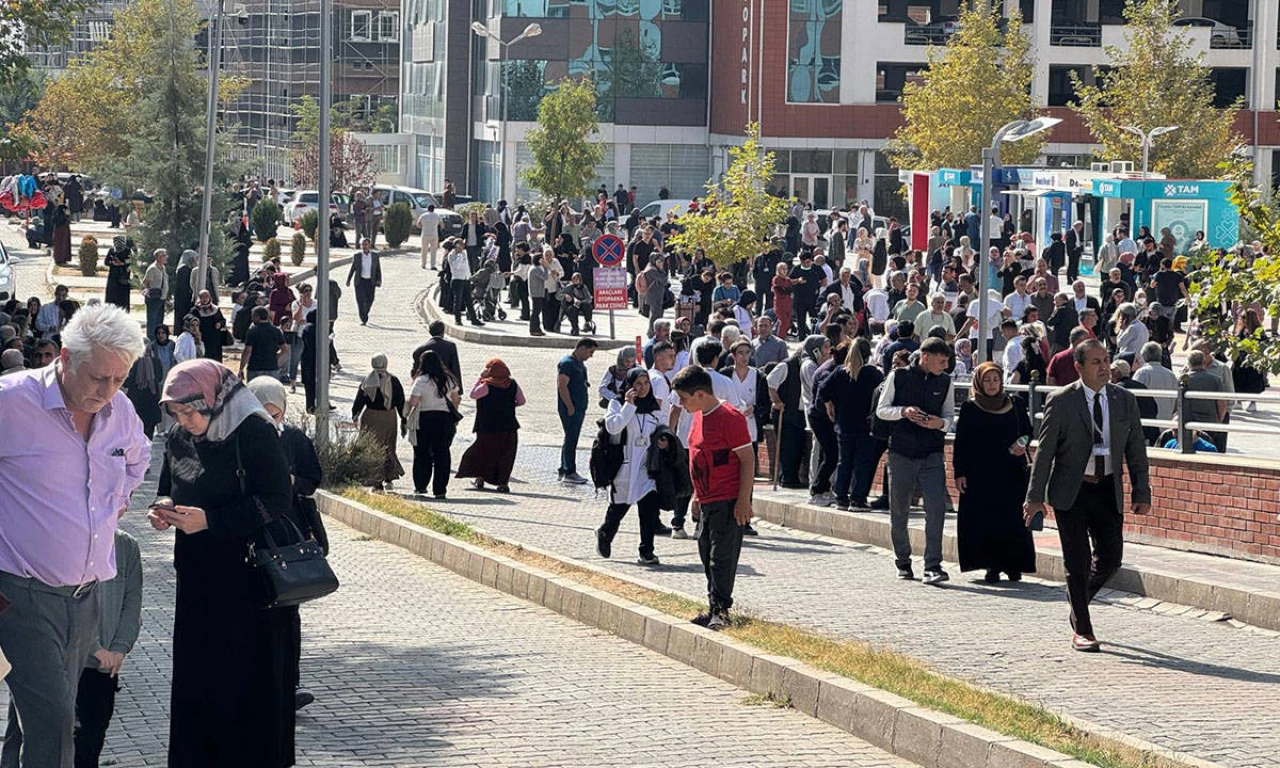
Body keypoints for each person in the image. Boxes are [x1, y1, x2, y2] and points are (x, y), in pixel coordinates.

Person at [0, 305, 149, 768]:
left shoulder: (119, 410)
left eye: (120, 380)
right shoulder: (10, 402)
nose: (107, 392)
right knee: (56, 719)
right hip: (19, 595)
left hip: (86, 600)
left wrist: (118, 498)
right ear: (64, 357)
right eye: (98, 378)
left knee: (37, 718)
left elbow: (138, 459)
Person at [149, 359, 296, 765]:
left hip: (248, 581)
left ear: (215, 398)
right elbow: (171, 483)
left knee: (245, 682)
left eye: (192, 410)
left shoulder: (252, 430)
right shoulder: (180, 435)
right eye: (177, 412)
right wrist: (163, 507)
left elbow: (277, 500)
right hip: (198, 578)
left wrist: (212, 521)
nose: (186, 419)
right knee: (200, 679)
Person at [1024, 339, 1151, 652]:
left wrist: (1141, 489)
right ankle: (1083, 627)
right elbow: (1046, 452)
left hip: (1108, 487)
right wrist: (1034, 497)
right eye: (1096, 362)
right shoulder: (1061, 400)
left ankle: (1077, 601)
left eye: (1106, 360)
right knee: (1077, 560)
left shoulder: (1124, 400)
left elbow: (1136, 449)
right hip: (1072, 489)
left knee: (1111, 558)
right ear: (1078, 367)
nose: (1104, 367)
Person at [245, 376, 326, 711]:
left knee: (287, 615)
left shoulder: (293, 439)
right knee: (251, 614)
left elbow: (313, 479)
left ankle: (288, 686)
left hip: (288, 541)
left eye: (275, 414)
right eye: (263, 412)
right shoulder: (240, 439)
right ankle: (252, 684)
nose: (270, 420)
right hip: (250, 539)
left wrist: (292, 481)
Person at [671, 365, 754, 630]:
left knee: (722, 557)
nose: (681, 404)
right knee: (706, 553)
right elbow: (699, 458)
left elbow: (748, 460)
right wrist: (696, 495)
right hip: (706, 500)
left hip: (728, 499)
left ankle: (721, 611)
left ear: (700, 394)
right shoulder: (698, 416)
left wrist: (744, 500)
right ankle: (713, 607)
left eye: (684, 399)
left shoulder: (730, 418)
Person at [875, 336, 955, 584]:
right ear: (925, 357)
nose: (945, 366)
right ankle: (903, 561)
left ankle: (933, 564)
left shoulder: (945, 382)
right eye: (941, 361)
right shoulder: (898, 376)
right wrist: (903, 412)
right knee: (900, 509)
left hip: (932, 452)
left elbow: (949, 416)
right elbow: (881, 409)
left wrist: (939, 423)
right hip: (901, 452)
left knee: (936, 508)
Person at [953, 362, 1036, 583]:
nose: (992, 384)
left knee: (1012, 521)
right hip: (980, 475)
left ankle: (1014, 565)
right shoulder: (971, 408)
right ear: (979, 382)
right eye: (987, 380)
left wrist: (1022, 443)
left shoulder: (1015, 404)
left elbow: (1028, 431)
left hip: (1011, 473)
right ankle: (992, 566)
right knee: (986, 521)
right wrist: (959, 473)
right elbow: (961, 442)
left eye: (996, 380)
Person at [595, 368, 667, 566]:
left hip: (646, 467)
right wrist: (628, 405)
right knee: (619, 507)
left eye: (645, 383)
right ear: (630, 386)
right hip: (624, 465)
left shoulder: (653, 406)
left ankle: (647, 551)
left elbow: (662, 426)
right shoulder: (616, 403)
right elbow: (613, 427)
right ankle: (605, 533)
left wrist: (665, 441)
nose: (642, 388)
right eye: (638, 384)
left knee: (649, 509)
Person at [819, 338, 884, 511]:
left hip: (844, 423)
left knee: (844, 461)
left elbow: (823, 389)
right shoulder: (874, 374)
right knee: (862, 463)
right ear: (868, 354)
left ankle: (841, 497)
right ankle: (858, 499)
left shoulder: (840, 372)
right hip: (866, 425)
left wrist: (829, 406)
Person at [768, 335, 828, 488]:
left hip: (800, 413)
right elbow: (770, 383)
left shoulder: (812, 366)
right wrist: (777, 401)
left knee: (798, 446)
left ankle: (792, 477)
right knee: (788, 447)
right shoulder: (787, 365)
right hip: (786, 412)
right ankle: (787, 478)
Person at [457, 359, 525, 493]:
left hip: (487, 426)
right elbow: (521, 401)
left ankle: (480, 478)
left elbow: (473, 394)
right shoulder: (512, 384)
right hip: (509, 426)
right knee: (506, 455)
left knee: (484, 452)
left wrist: (480, 378)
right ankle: (503, 483)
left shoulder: (486, 386)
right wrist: (508, 405)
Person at [403, 350, 461, 499]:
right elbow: (456, 399)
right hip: (444, 419)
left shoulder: (421, 380)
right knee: (442, 453)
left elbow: (414, 401)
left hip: (425, 419)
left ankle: (421, 486)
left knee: (421, 453)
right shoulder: (449, 379)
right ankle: (440, 489)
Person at [352, 354, 406, 491]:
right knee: (388, 446)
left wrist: (355, 414)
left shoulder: (367, 381)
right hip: (389, 417)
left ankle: (376, 481)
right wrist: (403, 419)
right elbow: (400, 400)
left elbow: (359, 400)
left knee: (372, 447)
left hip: (370, 417)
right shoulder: (393, 381)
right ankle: (389, 477)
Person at [557, 337, 598, 484]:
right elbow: (562, 386)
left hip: (579, 407)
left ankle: (564, 467)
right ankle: (570, 471)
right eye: (590, 352)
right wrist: (570, 407)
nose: (591, 355)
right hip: (571, 408)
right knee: (571, 439)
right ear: (582, 348)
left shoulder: (579, 364)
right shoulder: (567, 364)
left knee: (570, 437)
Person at [124, 333, 165, 439]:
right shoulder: (156, 361)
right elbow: (159, 378)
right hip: (150, 400)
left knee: (135, 433)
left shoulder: (132, 362)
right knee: (148, 433)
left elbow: (126, 382)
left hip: (137, 401)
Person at [240, 306, 285, 382]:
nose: (252, 319)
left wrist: (241, 368)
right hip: (272, 367)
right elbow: (285, 347)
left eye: (253, 316)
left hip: (255, 367)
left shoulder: (252, 331)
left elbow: (247, 351)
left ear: (257, 317)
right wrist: (277, 356)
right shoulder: (276, 330)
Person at [411, 320, 462, 385]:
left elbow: (415, 372)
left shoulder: (419, 350)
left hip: (426, 385)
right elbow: (455, 368)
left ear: (430, 332)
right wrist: (459, 390)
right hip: (446, 384)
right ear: (443, 332)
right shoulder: (450, 347)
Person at [345, 238, 382, 325]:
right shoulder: (357, 256)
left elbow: (378, 269)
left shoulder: (375, 256)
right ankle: (363, 319)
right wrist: (348, 280)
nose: (364, 246)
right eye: (363, 244)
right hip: (360, 281)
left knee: (370, 299)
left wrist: (379, 280)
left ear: (369, 245)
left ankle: (365, 312)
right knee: (360, 300)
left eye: (366, 244)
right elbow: (352, 268)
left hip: (370, 281)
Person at [445, 239, 481, 327]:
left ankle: (474, 319)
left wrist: (469, 277)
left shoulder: (464, 253)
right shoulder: (452, 255)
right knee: (457, 301)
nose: (462, 246)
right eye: (460, 244)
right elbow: (456, 266)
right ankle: (458, 319)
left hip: (465, 279)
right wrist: (459, 254)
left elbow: (466, 267)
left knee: (469, 301)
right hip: (457, 280)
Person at [142, 248, 170, 341]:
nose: (166, 257)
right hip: (154, 298)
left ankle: (158, 339)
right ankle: (151, 340)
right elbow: (146, 282)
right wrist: (149, 293)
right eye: (164, 256)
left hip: (161, 298)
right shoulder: (153, 268)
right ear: (158, 257)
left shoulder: (162, 268)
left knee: (159, 321)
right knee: (152, 320)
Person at [103, 235, 132, 310]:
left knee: (123, 296)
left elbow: (130, 261)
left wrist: (121, 263)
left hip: (123, 276)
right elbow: (106, 261)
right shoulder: (112, 250)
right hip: (113, 277)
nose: (116, 244)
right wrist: (112, 263)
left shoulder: (127, 250)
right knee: (111, 295)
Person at [173, 250, 197, 327]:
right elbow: (185, 286)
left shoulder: (188, 269)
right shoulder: (183, 269)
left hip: (185, 298)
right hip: (183, 299)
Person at [771, 262, 795, 338]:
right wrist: (787, 290)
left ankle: (782, 337)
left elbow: (791, 289)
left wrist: (787, 289)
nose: (785, 270)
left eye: (786, 269)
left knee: (787, 323)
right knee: (783, 322)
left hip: (788, 304)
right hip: (780, 305)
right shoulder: (776, 279)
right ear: (778, 270)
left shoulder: (788, 280)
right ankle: (779, 339)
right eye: (783, 269)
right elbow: (780, 290)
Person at [417, 204, 442, 269]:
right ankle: (433, 265)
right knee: (433, 251)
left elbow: (418, 224)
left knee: (424, 250)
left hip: (425, 234)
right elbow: (442, 225)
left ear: (427, 209)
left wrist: (424, 227)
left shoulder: (423, 215)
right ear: (433, 209)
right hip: (434, 234)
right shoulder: (437, 216)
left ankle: (423, 264)